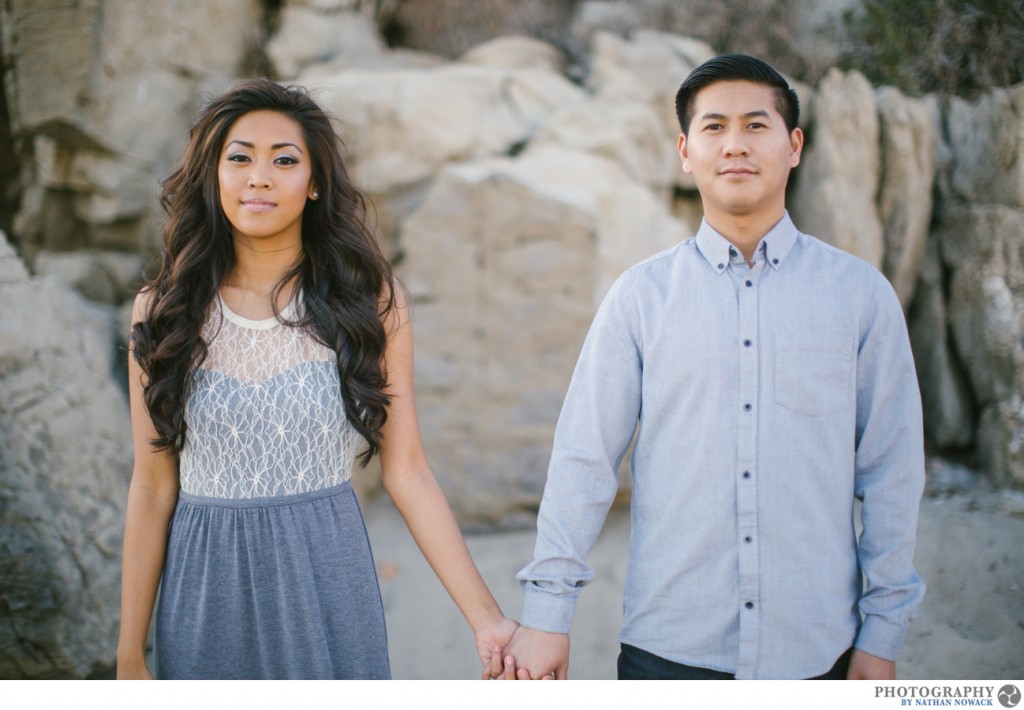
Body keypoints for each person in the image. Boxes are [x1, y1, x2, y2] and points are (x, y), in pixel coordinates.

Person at [501, 54, 926, 680]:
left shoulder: (860, 297)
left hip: (816, 650)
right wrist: (546, 614)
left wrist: (882, 633)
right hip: (669, 650)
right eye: (714, 127)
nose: (735, 145)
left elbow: (891, 471)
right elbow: (583, 458)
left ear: (795, 146)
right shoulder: (640, 298)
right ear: (684, 150)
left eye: (757, 126)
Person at [115, 78, 518, 679]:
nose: (259, 177)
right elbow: (151, 487)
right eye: (239, 158)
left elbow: (406, 470)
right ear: (213, 177)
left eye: (284, 160)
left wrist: (488, 620)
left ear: (315, 184)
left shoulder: (371, 301)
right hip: (205, 590)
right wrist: (129, 656)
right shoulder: (163, 309)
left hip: (325, 578)